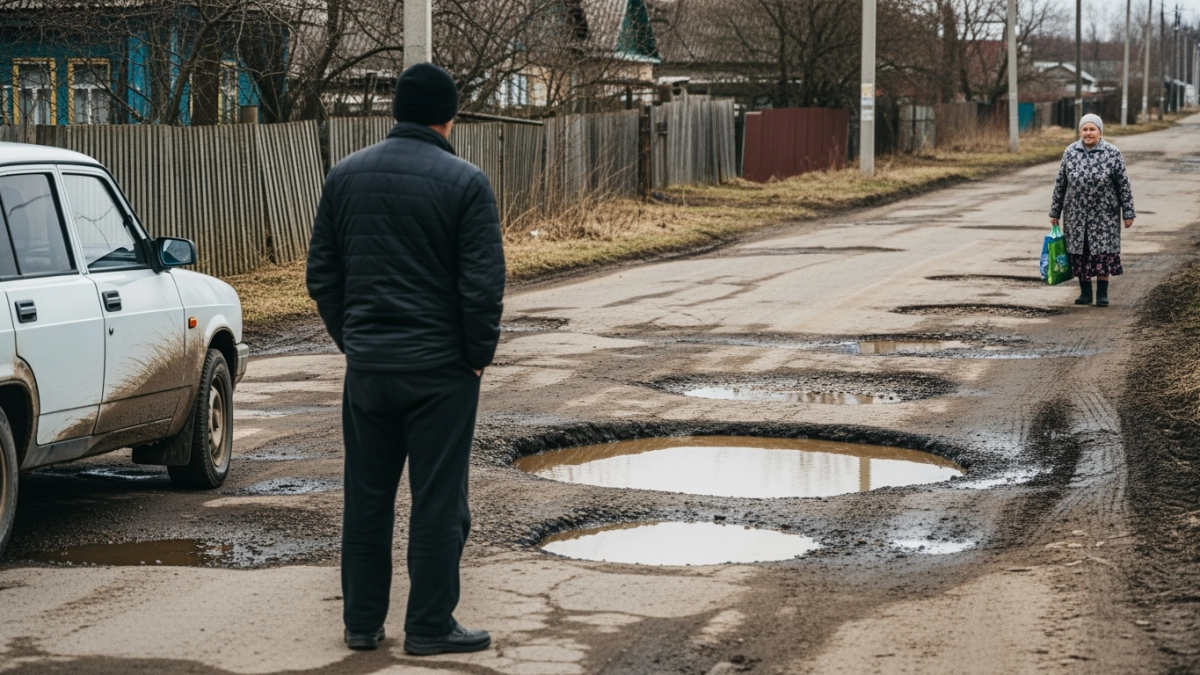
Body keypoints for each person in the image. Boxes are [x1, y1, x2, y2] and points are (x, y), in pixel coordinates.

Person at [306, 62, 505, 655]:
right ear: (450, 116)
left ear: (396, 111)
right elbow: (482, 287)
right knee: (438, 499)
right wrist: (476, 358)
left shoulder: (344, 176)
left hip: (369, 372)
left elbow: (322, 276)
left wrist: (356, 342)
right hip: (441, 372)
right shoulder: (467, 183)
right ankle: (428, 627)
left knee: (366, 498)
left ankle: (362, 625)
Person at [1049, 113, 1136, 307]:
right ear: (1080, 131)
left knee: (1103, 253)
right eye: (1085, 129)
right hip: (1076, 214)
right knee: (1080, 252)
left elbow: (1123, 185)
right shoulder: (1070, 152)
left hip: (1105, 215)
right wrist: (1055, 212)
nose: (1088, 133)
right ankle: (1086, 293)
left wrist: (1128, 213)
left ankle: (1102, 294)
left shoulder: (1112, 152)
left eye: (1092, 129)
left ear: (1099, 131)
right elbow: (1060, 184)